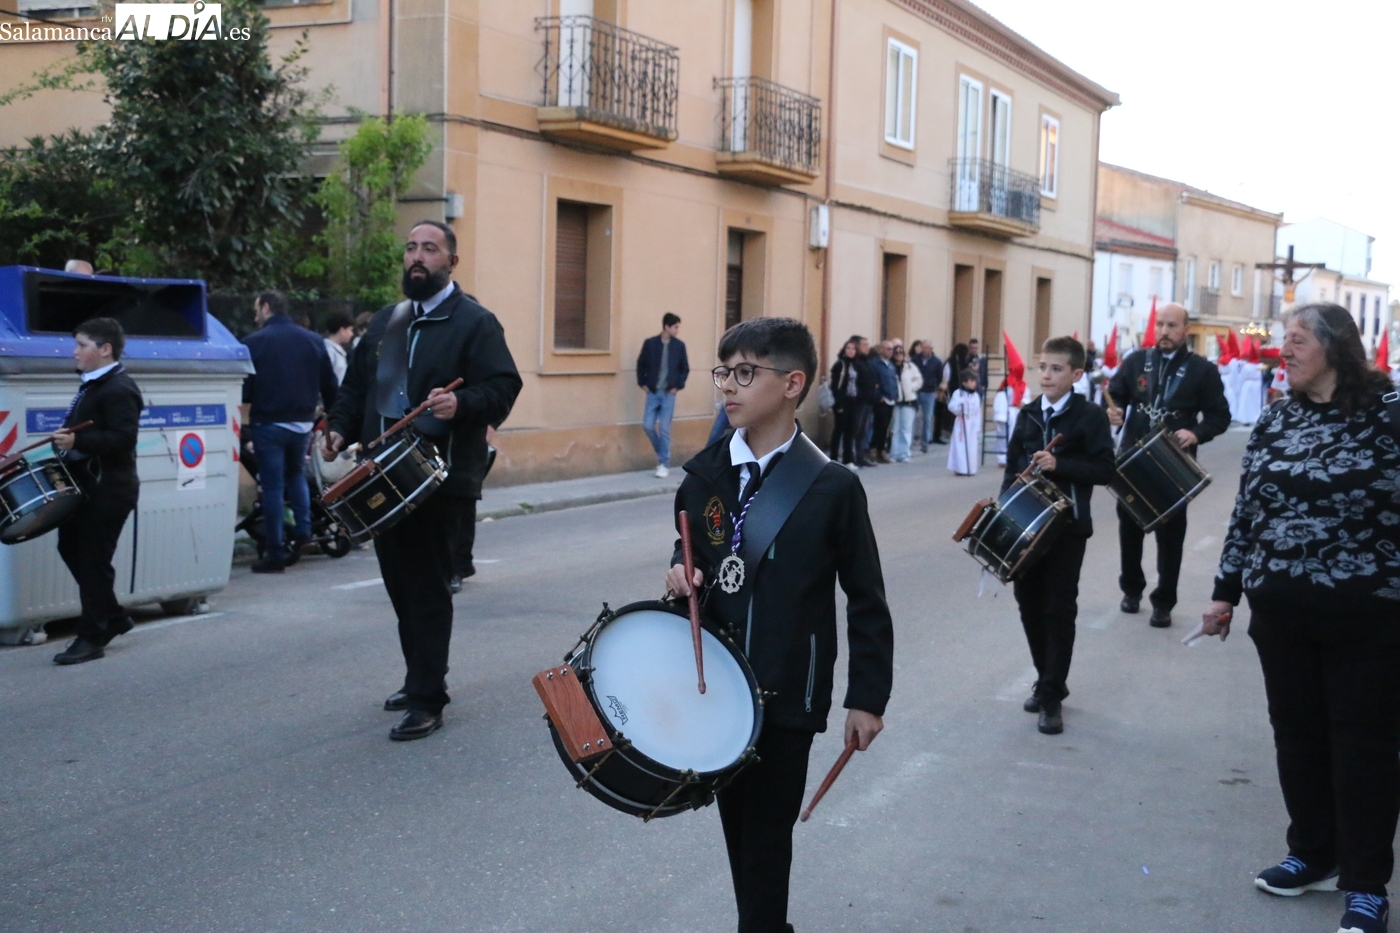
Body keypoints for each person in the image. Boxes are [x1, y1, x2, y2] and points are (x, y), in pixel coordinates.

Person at [665, 316, 893, 933]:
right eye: (724, 372)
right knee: (740, 834)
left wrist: (867, 697)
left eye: (745, 373)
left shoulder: (833, 488)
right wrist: (681, 568)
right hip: (718, 687)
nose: (727, 386)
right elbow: (693, 546)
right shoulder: (704, 475)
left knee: (766, 840)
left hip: (789, 691)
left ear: (793, 384)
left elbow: (866, 598)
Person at [1198, 303, 1400, 933]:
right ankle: (1313, 854)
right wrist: (1225, 592)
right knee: (1297, 737)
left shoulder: (1391, 414)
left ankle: (1366, 884)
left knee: (1363, 747)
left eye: (1297, 340)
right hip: (1281, 614)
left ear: (1336, 348)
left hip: (1369, 616)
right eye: (1283, 340)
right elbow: (1247, 510)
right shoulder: (1276, 417)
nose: (1282, 351)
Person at [325, 220, 522, 741]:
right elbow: (357, 388)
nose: (417, 256)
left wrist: (462, 402)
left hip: (439, 477)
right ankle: (420, 676)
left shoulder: (475, 322)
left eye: (429, 249)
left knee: (428, 589)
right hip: (381, 477)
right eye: (411, 248)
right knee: (399, 586)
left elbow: (504, 386)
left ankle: (427, 697)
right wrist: (339, 428)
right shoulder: (387, 322)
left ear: (451, 262)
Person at [1003, 336, 1115, 734]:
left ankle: (1051, 698)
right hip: (1029, 527)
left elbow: (1105, 470)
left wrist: (1059, 465)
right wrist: (1004, 514)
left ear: (1076, 374)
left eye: (1056, 369)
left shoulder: (1089, 417)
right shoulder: (1029, 413)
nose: (1046, 375)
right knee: (1029, 604)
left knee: (1059, 609)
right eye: (1043, 367)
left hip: (1068, 528)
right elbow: (1012, 468)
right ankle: (1047, 678)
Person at [1106, 302, 1230, 627]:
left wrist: (1196, 433)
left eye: (1172, 326)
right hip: (1134, 460)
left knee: (1171, 537)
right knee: (1129, 530)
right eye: (1160, 324)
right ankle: (1131, 590)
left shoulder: (1202, 370)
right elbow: (1116, 394)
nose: (1164, 331)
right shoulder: (1136, 361)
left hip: (1175, 465)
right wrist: (1114, 410)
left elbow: (1220, 416)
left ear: (1186, 330)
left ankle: (1164, 602)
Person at [49, 318, 144, 665]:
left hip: (110, 489)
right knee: (71, 547)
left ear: (105, 349)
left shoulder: (119, 388)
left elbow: (124, 438)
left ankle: (92, 636)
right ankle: (113, 616)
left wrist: (78, 441)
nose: (74, 352)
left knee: (92, 559)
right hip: (88, 487)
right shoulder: (95, 385)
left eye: (81, 345)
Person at [242, 290, 338, 574]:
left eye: (257, 310)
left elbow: (245, 389)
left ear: (267, 307)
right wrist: (333, 416)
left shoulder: (254, 342)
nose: (255, 316)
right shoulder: (313, 340)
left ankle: (275, 553)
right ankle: (304, 531)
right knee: (296, 475)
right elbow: (330, 385)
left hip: (269, 423)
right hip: (303, 423)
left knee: (272, 486)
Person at [636, 313, 689, 478]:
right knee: (648, 425)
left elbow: (684, 368)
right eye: (675, 327)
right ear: (667, 327)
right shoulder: (650, 344)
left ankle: (663, 463)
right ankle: (663, 452)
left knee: (664, 428)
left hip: (668, 393)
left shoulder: (679, 346)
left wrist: (678, 386)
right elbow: (641, 364)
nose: (677, 330)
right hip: (652, 392)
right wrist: (642, 383)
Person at [828, 337, 874, 467]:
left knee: (850, 431)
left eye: (853, 348)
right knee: (839, 430)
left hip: (853, 401)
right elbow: (835, 386)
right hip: (842, 402)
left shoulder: (856, 364)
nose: (851, 351)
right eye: (848, 348)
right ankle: (833, 459)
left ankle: (848, 460)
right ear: (844, 350)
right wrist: (838, 404)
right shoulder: (840, 364)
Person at [889, 343, 923, 462]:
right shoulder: (890, 367)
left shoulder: (910, 366)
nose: (899, 355)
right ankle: (894, 453)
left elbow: (918, 380)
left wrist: (911, 388)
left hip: (909, 401)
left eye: (901, 353)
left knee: (906, 429)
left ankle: (904, 453)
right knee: (895, 429)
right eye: (896, 353)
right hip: (895, 401)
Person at [946, 369, 982, 476]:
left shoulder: (976, 395)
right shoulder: (958, 393)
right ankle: (960, 468)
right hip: (962, 423)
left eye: (974, 381)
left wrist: (977, 426)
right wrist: (960, 404)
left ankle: (971, 468)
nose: (974, 383)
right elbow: (951, 407)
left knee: (971, 446)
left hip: (972, 423)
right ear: (964, 383)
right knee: (960, 446)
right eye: (971, 381)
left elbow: (977, 411)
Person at [868, 340, 898, 463]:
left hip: (891, 398)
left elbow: (893, 381)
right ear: (880, 350)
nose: (891, 352)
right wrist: (878, 396)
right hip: (881, 399)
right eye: (888, 349)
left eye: (892, 349)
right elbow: (873, 382)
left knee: (885, 426)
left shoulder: (891, 365)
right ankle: (873, 449)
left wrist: (895, 395)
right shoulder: (874, 364)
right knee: (879, 425)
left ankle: (881, 450)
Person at [911, 340, 943, 452]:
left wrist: (934, 386)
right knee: (912, 417)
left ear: (931, 349)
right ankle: (909, 443)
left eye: (925, 347)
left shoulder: (936, 362)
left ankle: (925, 443)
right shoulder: (915, 359)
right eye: (922, 347)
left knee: (927, 418)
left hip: (929, 392)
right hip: (916, 391)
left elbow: (939, 377)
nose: (923, 350)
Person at [322, 309, 355, 385]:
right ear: (342, 330)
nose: (352, 334)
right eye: (350, 330)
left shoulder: (334, 349)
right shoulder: (329, 351)